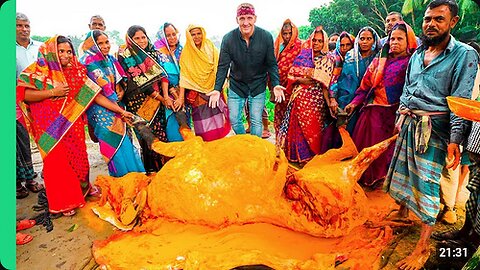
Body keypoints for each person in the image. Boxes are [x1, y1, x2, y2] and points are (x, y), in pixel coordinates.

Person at [383, 1, 479, 269]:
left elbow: (460, 99)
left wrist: (454, 141)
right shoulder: (417, 54)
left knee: (426, 185)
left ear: (453, 22)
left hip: (434, 129)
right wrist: (401, 115)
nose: (431, 24)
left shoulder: (464, 55)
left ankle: (422, 248)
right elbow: (407, 87)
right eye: (427, 19)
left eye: (439, 19)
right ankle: (403, 213)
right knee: (402, 174)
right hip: (410, 123)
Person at [17, 36, 103, 216]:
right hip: (49, 128)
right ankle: (65, 202)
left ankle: (83, 191)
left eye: (69, 51)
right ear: (50, 53)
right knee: (58, 163)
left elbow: (90, 93)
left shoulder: (78, 70)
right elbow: (24, 95)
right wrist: (52, 92)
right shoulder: (37, 71)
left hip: (73, 125)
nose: (65, 55)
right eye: (60, 51)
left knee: (79, 157)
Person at [344, 22, 417, 188]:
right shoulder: (379, 60)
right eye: (392, 38)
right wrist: (355, 102)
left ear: (409, 41)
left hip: (393, 115)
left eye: (400, 39)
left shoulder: (412, 63)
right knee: (363, 147)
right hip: (371, 111)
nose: (395, 42)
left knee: (384, 152)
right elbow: (365, 85)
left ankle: (378, 181)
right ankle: (361, 178)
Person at [208, 2, 285, 138]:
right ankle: (244, 142)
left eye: (249, 18)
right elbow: (223, 66)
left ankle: (254, 149)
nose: (245, 23)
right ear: (236, 19)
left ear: (255, 18)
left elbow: (271, 64)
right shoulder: (228, 39)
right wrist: (217, 88)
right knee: (234, 119)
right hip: (237, 85)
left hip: (258, 85)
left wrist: (275, 84)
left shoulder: (266, 36)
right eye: (242, 18)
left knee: (256, 120)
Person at [80, 30, 145, 176]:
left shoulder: (110, 59)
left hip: (117, 106)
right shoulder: (87, 63)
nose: (105, 46)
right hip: (101, 111)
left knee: (126, 143)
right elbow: (95, 95)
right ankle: (121, 182)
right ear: (92, 45)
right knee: (113, 146)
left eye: (106, 42)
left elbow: (119, 81)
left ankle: (135, 179)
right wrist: (120, 111)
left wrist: (120, 91)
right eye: (100, 43)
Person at [277, 26, 334, 164]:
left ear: (325, 42)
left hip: (316, 101)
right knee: (297, 128)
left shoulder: (328, 60)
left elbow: (327, 84)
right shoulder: (303, 56)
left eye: (320, 41)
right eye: (314, 40)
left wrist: (329, 102)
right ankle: (295, 157)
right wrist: (299, 79)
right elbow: (291, 75)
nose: (316, 43)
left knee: (313, 129)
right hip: (299, 98)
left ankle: (311, 157)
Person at [118, 25, 169, 174]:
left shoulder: (153, 53)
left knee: (161, 135)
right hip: (137, 104)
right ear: (130, 40)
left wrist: (164, 96)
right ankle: (151, 171)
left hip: (158, 103)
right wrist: (161, 98)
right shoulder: (125, 57)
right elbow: (139, 82)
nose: (141, 41)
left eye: (143, 37)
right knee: (146, 138)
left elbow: (163, 76)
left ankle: (164, 170)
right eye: (137, 38)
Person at [179, 24, 231, 141]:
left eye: (199, 33)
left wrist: (217, 88)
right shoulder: (186, 53)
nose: (196, 37)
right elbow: (184, 76)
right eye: (193, 34)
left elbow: (219, 67)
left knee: (218, 121)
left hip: (214, 91)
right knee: (203, 126)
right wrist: (181, 97)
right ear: (189, 36)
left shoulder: (210, 47)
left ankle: (219, 147)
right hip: (198, 94)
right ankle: (207, 148)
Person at [328, 26, 381, 134]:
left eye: (368, 39)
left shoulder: (378, 58)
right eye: (362, 39)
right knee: (344, 133)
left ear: (374, 40)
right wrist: (333, 98)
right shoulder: (349, 56)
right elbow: (338, 78)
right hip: (345, 100)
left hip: (368, 101)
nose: (365, 42)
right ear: (357, 40)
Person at [15, 12, 44, 199]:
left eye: (26, 25)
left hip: (41, 100)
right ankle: (17, 183)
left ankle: (31, 179)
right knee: (17, 142)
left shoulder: (40, 47)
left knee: (39, 140)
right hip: (16, 102)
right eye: (19, 26)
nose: (24, 29)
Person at [154, 22, 189, 142]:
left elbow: (185, 74)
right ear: (162, 37)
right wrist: (166, 97)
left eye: (174, 34)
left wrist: (181, 97)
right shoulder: (158, 53)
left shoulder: (182, 51)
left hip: (183, 93)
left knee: (185, 125)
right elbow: (163, 76)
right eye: (168, 35)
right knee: (172, 127)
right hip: (167, 95)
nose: (172, 37)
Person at [271, 19, 302, 137]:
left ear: (294, 32)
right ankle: (280, 142)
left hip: (294, 87)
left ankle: (292, 145)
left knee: (293, 116)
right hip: (280, 87)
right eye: (285, 33)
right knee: (280, 114)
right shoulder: (278, 45)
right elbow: (273, 63)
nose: (287, 36)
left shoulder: (300, 46)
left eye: (290, 33)